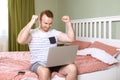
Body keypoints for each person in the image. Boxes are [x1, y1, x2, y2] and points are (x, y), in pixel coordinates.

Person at [17, 10, 77, 80]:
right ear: (39, 20)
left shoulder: (54, 33)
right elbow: (20, 40)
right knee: (44, 71)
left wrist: (68, 23)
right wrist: (31, 22)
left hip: (53, 63)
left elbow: (71, 39)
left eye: (50, 23)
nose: (48, 26)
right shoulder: (32, 33)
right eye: (45, 23)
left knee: (73, 68)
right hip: (38, 64)